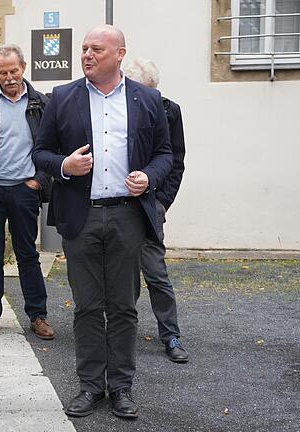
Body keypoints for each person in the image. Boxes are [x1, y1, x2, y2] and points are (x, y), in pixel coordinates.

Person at [32, 25, 172, 419]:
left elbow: (165, 154)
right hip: (82, 216)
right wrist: (64, 165)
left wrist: (149, 176)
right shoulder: (63, 98)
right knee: (88, 307)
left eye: (96, 49)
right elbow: (40, 152)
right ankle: (91, 386)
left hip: (128, 215)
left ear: (120, 53)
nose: (87, 55)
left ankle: (122, 388)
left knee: (124, 306)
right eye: (84, 49)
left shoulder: (147, 99)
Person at [0, 43, 54, 340]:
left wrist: (39, 180)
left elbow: (52, 147)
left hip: (24, 190)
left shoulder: (40, 103)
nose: (9, 77)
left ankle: (37, 315)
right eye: (3, 72)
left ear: (23, 68)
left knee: (27, 253)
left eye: (14, 70)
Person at [124, 58, 188, 363]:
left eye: (150, 91)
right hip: (120, 206)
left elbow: (175, 162)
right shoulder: (116, 106)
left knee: (156, 273)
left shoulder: (169, 110)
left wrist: (162, 202)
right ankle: (124, 334)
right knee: (124, 277)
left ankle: (170, 334)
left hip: (150, 206)